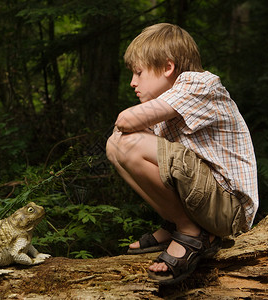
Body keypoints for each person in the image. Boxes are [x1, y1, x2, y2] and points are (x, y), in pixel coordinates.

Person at [106, 23, 258, 285]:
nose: (133, 82)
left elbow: (125, 120)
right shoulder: (166, 111)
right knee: (115, 144)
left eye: (139, 73)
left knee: (124, 142)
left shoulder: (198, 84)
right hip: (207, 202)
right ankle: (180, 224)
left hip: (228, 210)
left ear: (168, 67)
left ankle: (191, 232)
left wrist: (129, 126)